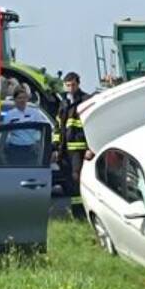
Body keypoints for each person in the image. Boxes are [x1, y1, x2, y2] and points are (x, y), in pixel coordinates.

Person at [54, 72, 90, 218]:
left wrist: (89, 147)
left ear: (78, 84)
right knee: (68, 180)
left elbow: (89, 125)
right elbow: (58, 126)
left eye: (73, 85)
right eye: (68, 85)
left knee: (77, 179)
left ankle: (81, 213)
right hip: (64, 150)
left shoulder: (85, 100)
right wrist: (55, 146)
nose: (70, 88)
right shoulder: (63, 103)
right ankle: (75, 212)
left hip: (79, 149)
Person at [1, 83, 52, 165]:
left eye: (24, 98)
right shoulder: (10, 115)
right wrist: (1, 150)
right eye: (19, 98)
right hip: (14, 148)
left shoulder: (35, 113)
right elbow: (4, 134)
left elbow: (43, 130)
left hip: (31, 148)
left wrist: (39, 145)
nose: (22, 100)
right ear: (15, 99)